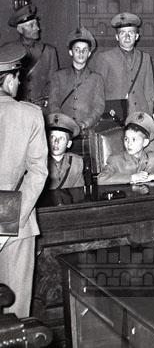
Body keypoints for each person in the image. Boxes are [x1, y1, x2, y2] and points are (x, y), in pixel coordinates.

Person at [0, 43, 48, 317]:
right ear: (9, 79)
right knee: (15, 314)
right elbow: (38, 172)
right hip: (17, 223)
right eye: (18, 78)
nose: (19, 83)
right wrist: (9, 219)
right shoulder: (29, 114)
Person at [93, 13, 154, 119]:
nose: (127, 37)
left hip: (140, 115)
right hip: (116, 114)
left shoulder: (145, 58)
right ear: (117, 37)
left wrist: (149, 116)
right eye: (122, 33)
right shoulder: (105, 57)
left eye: (131, 32)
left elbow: (149, 92)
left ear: (137, 36)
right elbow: (98, 92)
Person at [97, 112, 154, 185]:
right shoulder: (116, 160)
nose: (129, 144)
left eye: (134, 139)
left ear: (145, 142)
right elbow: (101, 179)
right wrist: (131, 178)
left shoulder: (153, 158)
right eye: (126, 139)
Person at [48, 27, 105, 131]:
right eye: (77, 49)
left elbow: (98, 108)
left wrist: (85, 123)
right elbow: (53, 103)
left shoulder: (96, 79)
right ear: (71, 52)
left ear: (89, 53)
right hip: (63, 130)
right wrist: (63, 123)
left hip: (87, 130)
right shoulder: (58, 76)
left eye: (85, 50)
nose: (81, 53)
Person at [5, 4, 58, 108]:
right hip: (16, 109)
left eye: (36, 24)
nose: (37, 28)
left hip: (40, 108)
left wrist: (43, 101)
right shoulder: (8, 51)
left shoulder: (49, 51)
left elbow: (54, 83)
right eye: (32, 25)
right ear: (20, 30)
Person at [46, 113, 84, 190]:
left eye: (61, 138)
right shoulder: (39, 162)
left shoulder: (76, 162)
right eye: (52, 137)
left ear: (69, 144)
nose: (56, 142)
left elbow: (79, 192)